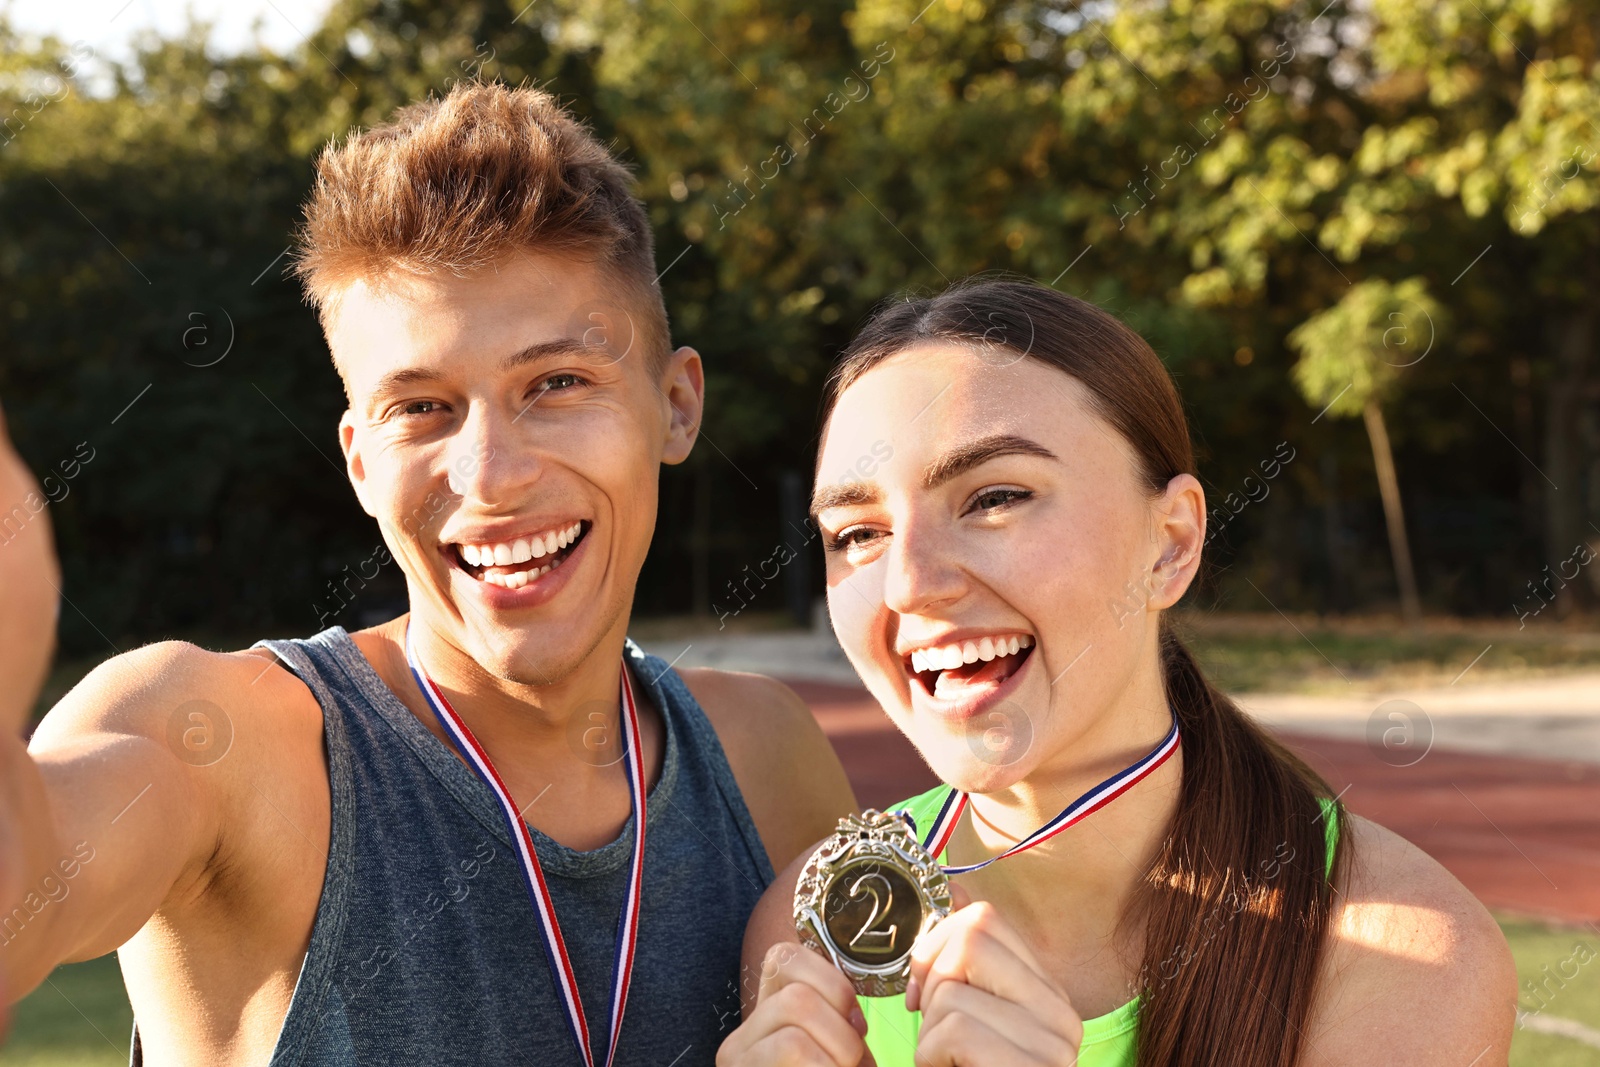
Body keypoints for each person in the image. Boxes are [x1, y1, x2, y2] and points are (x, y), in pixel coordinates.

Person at [0, 82, 856, 1065]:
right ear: (361, 458)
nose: (490, 474)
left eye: (556, 383)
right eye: (423, 407)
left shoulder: (765, 757)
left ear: (674, 404)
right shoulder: (225, 743)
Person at [719, 277, 1516, 1067]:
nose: (908, 582)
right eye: (857, 533)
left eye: (995, 495)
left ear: (1171, 541)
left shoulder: (1402, 957)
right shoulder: (808, 934)